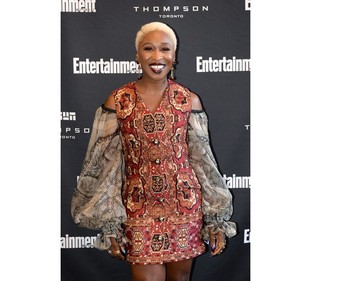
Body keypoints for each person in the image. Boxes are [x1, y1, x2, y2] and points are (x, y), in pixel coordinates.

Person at [71, 22, 237, 281]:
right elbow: (103, 165)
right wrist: (110, 224)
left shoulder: (188, 100)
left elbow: (203, 162)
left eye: (165, 49)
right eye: (148, 49)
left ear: (174, 56)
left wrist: (215, 218)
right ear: (137, 55)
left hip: (185, 208)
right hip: (138, 208)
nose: (157, 57)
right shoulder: (118, 101)